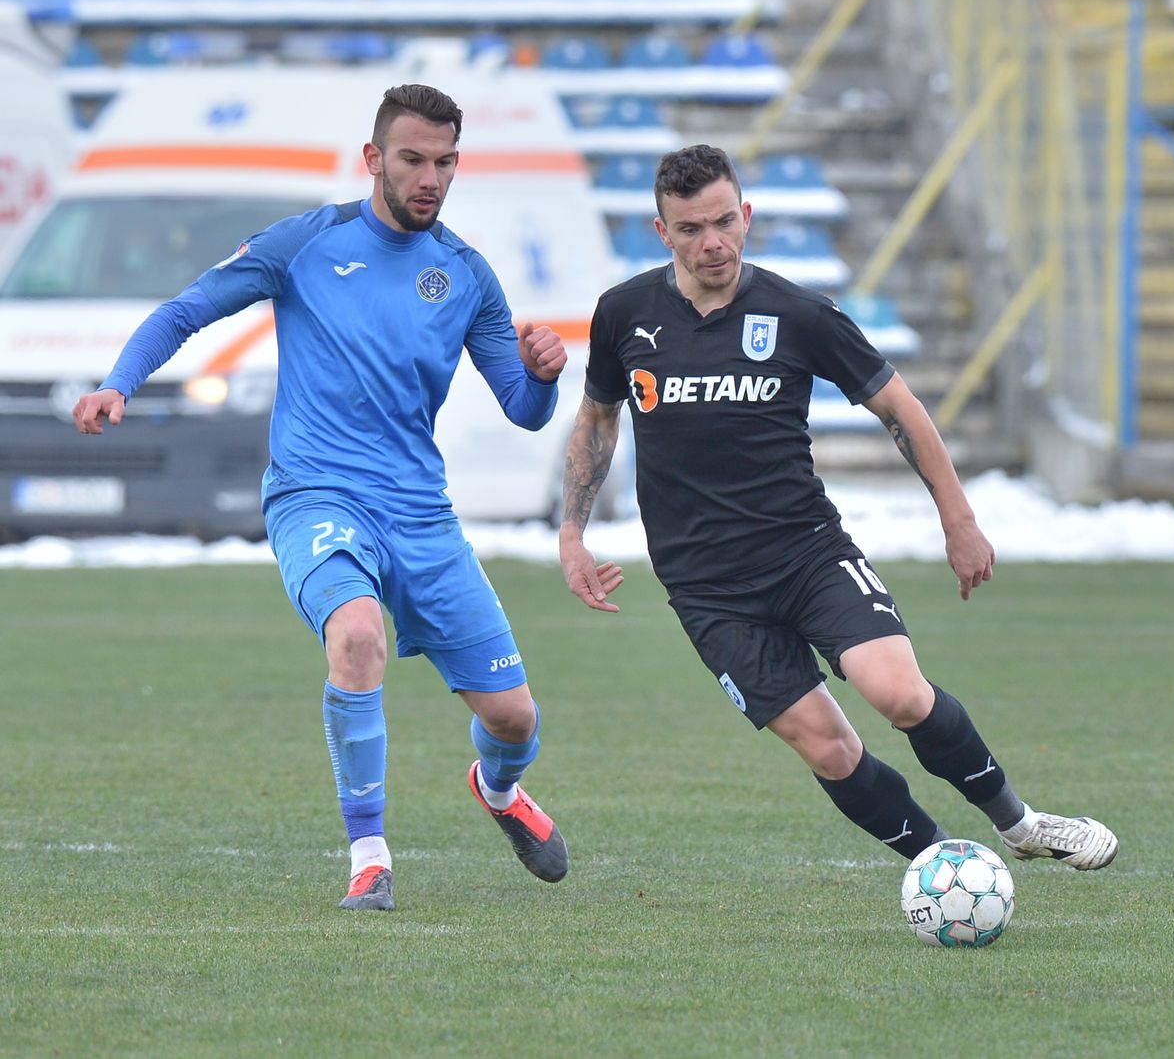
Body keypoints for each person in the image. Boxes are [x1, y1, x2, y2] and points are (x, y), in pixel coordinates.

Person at [73, 83, 570, 911]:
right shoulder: (308, 242)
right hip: (316, 493)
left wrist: (547, 379)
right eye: (412, 159)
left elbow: (521, 408)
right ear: (374, 158)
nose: (430, 178)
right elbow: (187, 309)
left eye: (445, 162)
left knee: (516, 719)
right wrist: (119, 383)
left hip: (421, 515)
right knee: (357, 634)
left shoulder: (467, 276)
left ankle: (497, 790)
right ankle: (369, 855)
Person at [558, 144, 1117, 871]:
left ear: (747, 215)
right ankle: (944, 866)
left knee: (901, 695)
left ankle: (1020, 823)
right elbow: (598, 418)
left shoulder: (798, 313)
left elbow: (900, 409)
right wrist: (572, 533)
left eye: (725, 221)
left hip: (808, 556)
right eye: (691, 229)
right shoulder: (624, 313)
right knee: (829, 747)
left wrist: (959, 519)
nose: (713, 242)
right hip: (708, 589)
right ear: (662, 232)